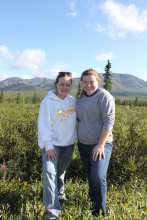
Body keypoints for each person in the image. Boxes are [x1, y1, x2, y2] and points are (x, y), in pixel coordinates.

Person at [76, 69, 115, 217]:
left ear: (97, 81)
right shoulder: (79, 99)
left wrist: (100, 145)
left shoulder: (103, 95)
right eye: (85, 82)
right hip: (83, 144)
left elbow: (109, 120)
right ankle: (92, 203)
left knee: (98, 176)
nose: (88, 85)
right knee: (91, 177)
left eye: (91, 81)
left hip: (100, 144)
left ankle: (99, 213)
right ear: (82, 82)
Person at [38, 72, 77, 220]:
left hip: (68, 144)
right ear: (56, 84)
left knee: (60, 172)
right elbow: (43, 124)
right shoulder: (47, 102)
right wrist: (48, 146)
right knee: (50, 174)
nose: (64, 87)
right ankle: (52, 212)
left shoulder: (72, 101)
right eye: (61, 84)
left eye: (68, 84)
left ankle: (60, 195)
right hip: (51, 146)